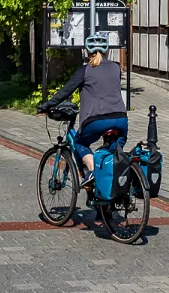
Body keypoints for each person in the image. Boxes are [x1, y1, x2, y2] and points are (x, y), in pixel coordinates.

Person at [38, 35, 126, 183]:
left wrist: (46, 106)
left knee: (80, 143)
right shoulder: (116, 67)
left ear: (87, 51)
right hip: (121, 120)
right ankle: (109, 192)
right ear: (107, 51)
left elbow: (65, 92)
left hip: (96, 120)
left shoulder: (85, 70)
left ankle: (92, 172)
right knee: (112, 151)